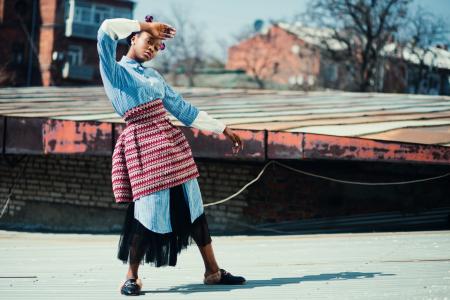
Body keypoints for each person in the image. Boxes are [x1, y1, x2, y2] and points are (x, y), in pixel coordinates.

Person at [97, 17, 246, 296]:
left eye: (157, 44)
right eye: (147, 40)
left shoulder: (154, 77)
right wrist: (143, 24)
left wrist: (222, 128)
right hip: (143, 147)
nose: (152, 47)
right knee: (147, 212)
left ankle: (213, 271)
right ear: (133, 38)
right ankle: (131, 277)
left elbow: (182, 109)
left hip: (173, 147)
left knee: (194, 208)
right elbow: (105, 30)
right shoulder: (115, 71)